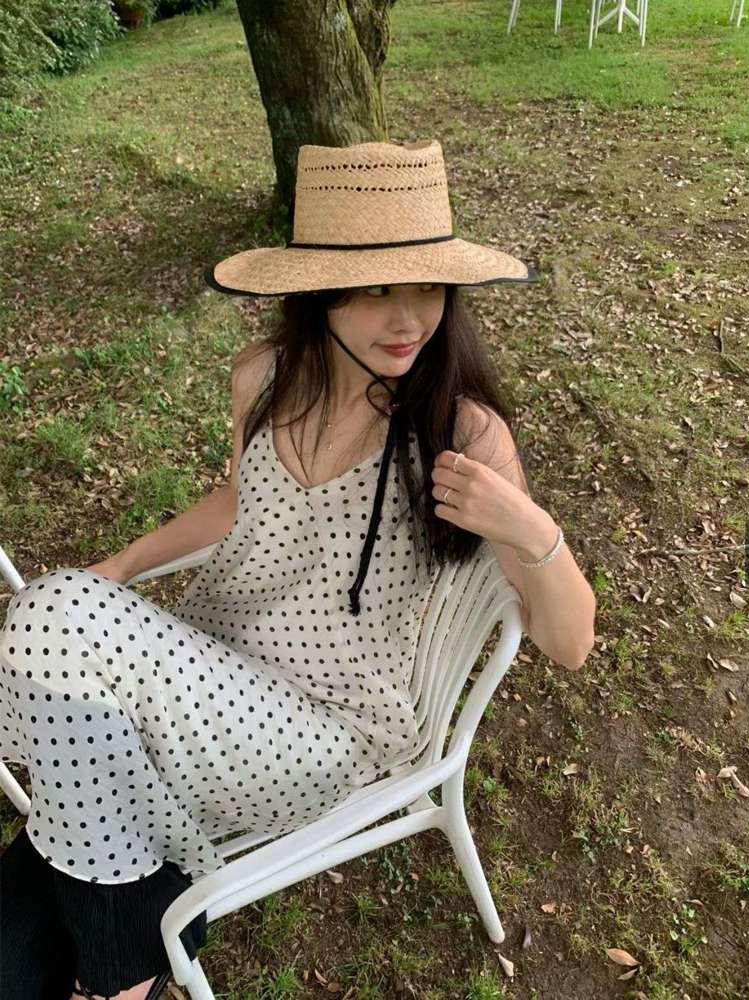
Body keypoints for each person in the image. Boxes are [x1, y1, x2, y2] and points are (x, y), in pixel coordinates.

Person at [0, 138, 595, 1000]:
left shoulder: (458, 432)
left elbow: (570, 644)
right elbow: (236, 500)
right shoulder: (263, 377)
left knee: (53, 621)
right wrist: (120, 565)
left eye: (427, 286)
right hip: (209, 679)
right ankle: (129, 964)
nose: (407, 318)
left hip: (325, 734)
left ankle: (121, 966)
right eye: (374, 287)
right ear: (315, 290)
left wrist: (529, 528)